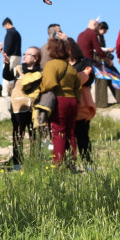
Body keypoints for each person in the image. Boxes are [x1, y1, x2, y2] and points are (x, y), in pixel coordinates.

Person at [40, 38, 80, 166]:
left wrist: (40, 88)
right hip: (72, 101)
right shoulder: (70, 67)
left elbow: (49, 83)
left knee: (58, 133)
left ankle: (58, 164)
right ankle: (71, 163)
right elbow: (78, 87)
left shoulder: (51, 65)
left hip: (59, 101)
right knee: (71, 132)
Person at [2, 46, 42, 168]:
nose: (24, 56)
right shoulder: (18, 69)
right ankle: (17, 162)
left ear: (36, 58)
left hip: (34, 108)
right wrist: (7, 64)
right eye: (25, 53)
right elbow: (7, 76)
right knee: (18, 135)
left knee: (34, 136)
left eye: (29, 54)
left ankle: (35, 161)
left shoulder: (40, 73)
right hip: (18, 108)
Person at [68, 38, 96, 167]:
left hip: (82, 103)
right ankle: (69, 163)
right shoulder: (62, 64)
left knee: (83, 135)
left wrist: (77, 79)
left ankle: (87, 163)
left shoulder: (84, 62)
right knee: (69, 136)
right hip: (68, 102)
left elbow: (90, 79)